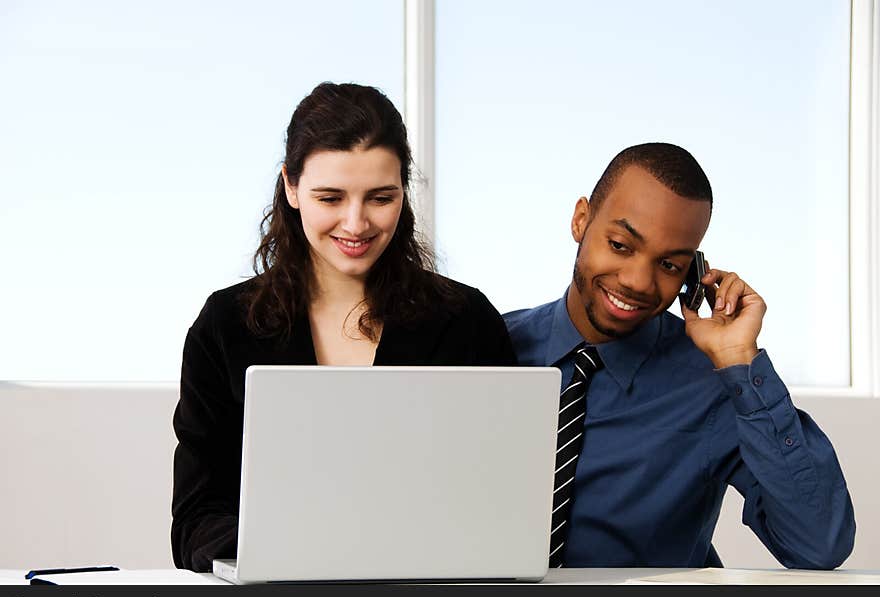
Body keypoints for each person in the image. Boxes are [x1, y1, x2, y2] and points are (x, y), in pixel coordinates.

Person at [171, 82, 516, 571]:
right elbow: (195, 519)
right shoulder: (226, 325)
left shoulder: (466, 319)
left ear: (404, 191)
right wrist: (289, 552)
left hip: (432, 592)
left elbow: (500, 497)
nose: (356, 225)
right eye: (330, 197)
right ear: (291, 187)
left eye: (380, 198)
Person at [504, 143, 855, 569]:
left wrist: (739, 359)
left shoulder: (713, 382)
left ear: (691, 272)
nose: (636, 281)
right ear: (581, 219)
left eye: (669, 265)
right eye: (619, 244)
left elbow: (820, 545)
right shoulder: (492, 348)